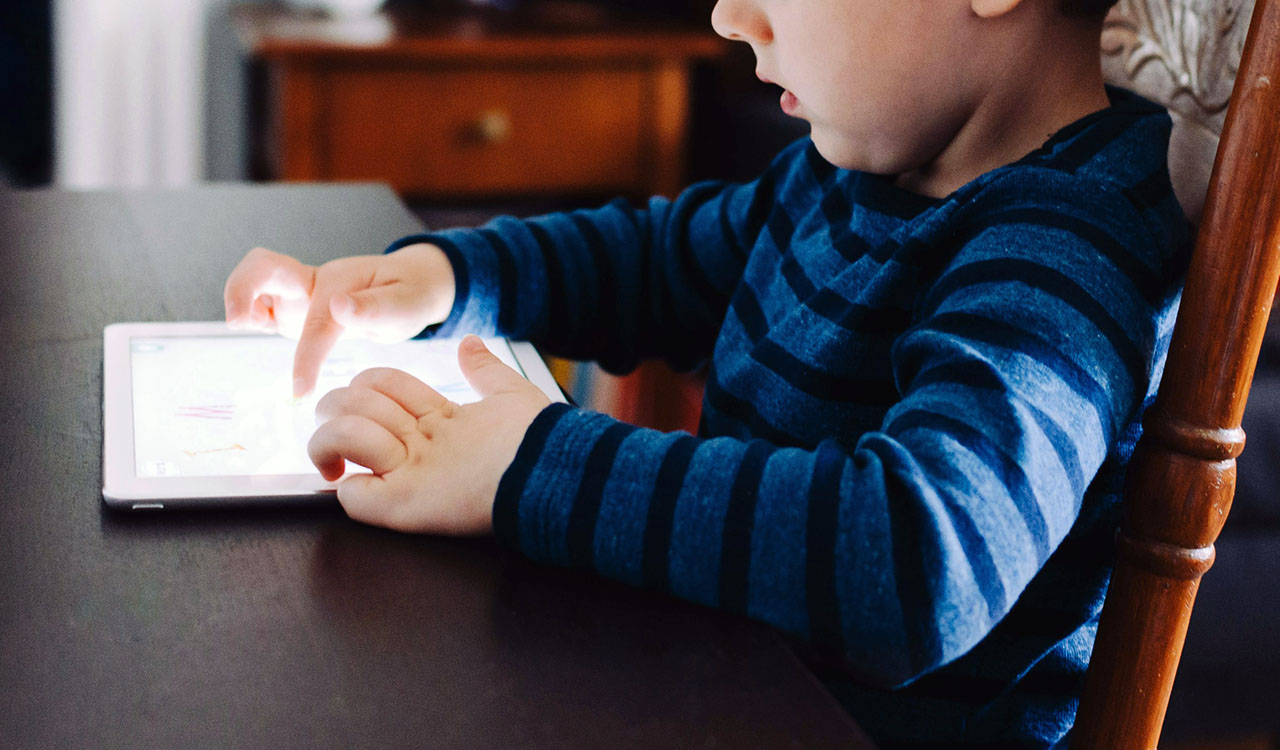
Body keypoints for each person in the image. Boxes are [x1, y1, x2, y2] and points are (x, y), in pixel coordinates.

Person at [223, 0, 1191, 745]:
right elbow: (655, 263)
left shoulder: (1066, 246)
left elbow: (917, 561)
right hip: (729, 683)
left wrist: (526, 461)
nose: (729, 16)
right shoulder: (852, 176)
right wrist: (442, 277)